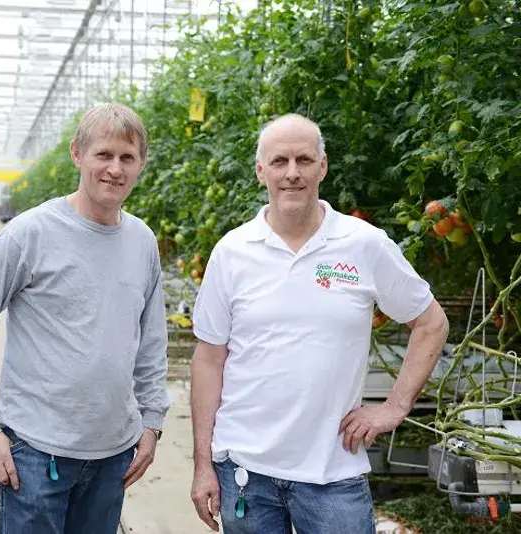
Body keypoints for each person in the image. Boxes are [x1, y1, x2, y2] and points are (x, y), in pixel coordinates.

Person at [189, 114, 449, 533]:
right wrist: (203, 465)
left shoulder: (363, 244)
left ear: (322, 167)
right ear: (261, 172)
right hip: (244, 474)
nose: (292, 173)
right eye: (279, 162)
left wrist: (394, 408)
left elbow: (431, 322)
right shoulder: (232, 252)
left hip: (334, 474)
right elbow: (208, 361)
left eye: (304, 160)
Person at [0, 103, 170, 534]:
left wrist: (152, 421)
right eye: (104, 154)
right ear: (77, 154)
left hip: (113, 454)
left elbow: (151, 340)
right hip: (35, 453)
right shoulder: (32, 233)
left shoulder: (142, 240)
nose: (115, 169)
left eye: (127, 158)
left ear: (141, 164)